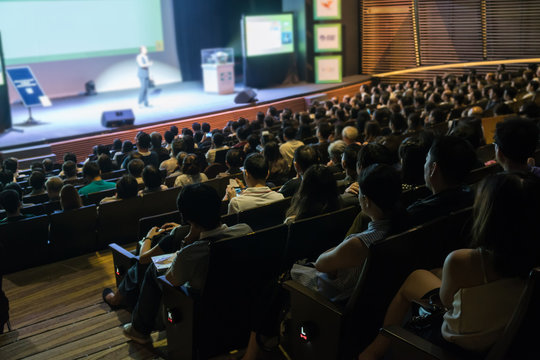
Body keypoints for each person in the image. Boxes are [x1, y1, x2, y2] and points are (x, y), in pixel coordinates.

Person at [358, 172, 540, 359]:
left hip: (453, 346)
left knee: (414, 284)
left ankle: (373, 351)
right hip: (501, 333)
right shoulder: (529, 259)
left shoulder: (462, 261)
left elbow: (445, 302)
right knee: (420, 276)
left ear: (490, 216)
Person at [121, 184, 253, 344]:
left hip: (199, 310)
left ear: (188, 219)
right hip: (239, 304)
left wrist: (185, 243)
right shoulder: (245, 230)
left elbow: (169, 281)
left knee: (153, 268)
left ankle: (139, 330)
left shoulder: (191, 253)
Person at [290, 164, 404, 303]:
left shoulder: (360, 244)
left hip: (335, 303)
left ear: (366, 201)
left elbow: (320, 263)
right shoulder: (405, 225)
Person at [406, 136, 477, 226]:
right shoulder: (476, 197)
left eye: (427, 159)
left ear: (433, 169)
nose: (424, 165)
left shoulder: (414, 214)